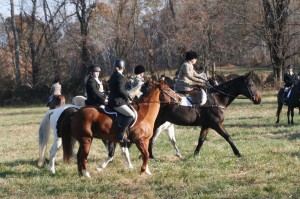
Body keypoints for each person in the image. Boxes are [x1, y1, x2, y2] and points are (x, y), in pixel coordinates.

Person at [108, 59, 135, 143]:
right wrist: (128, 96)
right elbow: (120, 90)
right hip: (117, 102)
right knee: (131, 115)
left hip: (112, 99)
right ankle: (120, 134)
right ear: (123, 68)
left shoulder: (112, 76)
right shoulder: (120, 77)